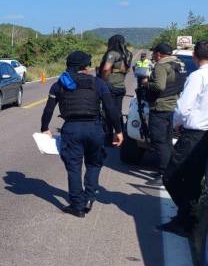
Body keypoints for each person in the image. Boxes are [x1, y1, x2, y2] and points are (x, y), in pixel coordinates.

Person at [41, 51, 123, 218]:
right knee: (94, 164)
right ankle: (89, 197)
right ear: (85, 67)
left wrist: (45, 128)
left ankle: (77, 206)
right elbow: (111, 109)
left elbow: (48, 109)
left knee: (74, 168)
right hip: (94, 128)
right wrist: (118, 131)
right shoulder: (98, 83)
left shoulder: (59, 84)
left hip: (71, 129)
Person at [159, 40, 208, 236]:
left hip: (194, 134)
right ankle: (187, 218)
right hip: (204, 136)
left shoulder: (197, 76)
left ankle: (188, 217)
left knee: (171, 176)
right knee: (193, 179)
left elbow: (183, 106)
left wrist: (176, 124)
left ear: (195, 56)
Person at [141, 43, 188, 183]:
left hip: (160, 107)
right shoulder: (179, 63)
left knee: (159, 140)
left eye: (154, 53)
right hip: (174, 106)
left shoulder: (161, 65)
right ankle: (170, 171)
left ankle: (163, 174)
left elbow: (159, 86)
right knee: (167, 140)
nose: (153, 56)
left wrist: (145, 83)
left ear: (159, 54)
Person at [99, 35, 132, 132]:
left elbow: (106, 68)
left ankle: (108, 135)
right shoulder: (127, 54)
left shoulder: (113, 53)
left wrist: (103, 82)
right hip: (121, 85)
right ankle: (120, 132)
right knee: (118, 111)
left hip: (110, 86)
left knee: (108, 111)